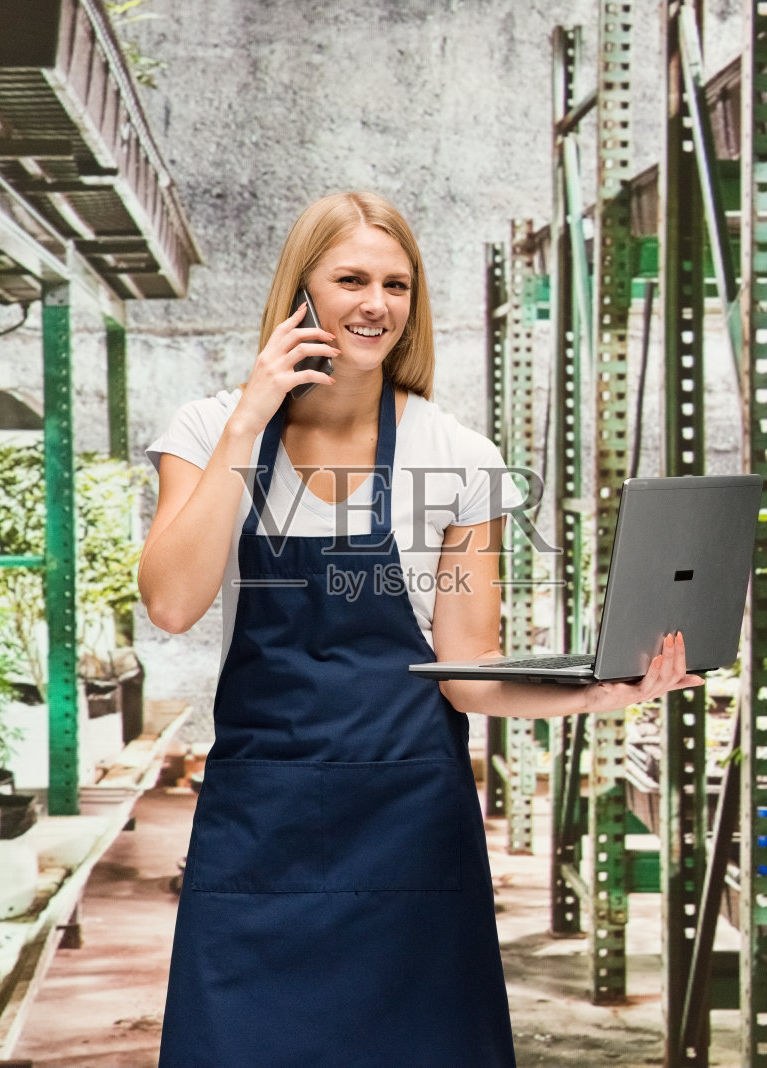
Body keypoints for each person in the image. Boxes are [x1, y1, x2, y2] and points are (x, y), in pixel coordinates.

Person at [139, 191, 702, 1067]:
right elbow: (172, 603)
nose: (376, 303)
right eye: (351, 279)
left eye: (396, 284)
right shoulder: (210, 429)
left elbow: (468, 675)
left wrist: (601, 688)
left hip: (409, 823)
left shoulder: (458, 456)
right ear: (302, 291)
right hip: (264, 823)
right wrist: (252, 416)